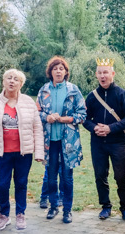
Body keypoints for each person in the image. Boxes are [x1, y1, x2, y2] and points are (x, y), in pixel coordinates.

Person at [0, 69, 44, 231]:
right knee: (2, 184)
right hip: (2, 153)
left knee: (21, 183)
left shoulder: (28, 102)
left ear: (21, 84)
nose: (11, 81)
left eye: (16, 79)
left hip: (23, 153)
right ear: (3, 81)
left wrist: (39, 152)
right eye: (9, 78)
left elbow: (37, 127)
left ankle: (20, 214)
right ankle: (3, 215)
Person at [83, 58, 125, 221]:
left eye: (106, 72)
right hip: (98, 143)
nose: (103, 76)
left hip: (117, 142)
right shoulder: (92, 96)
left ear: (112, 74)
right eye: (100, 73)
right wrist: (94, 128)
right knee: (100, 175)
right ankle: (105, 206)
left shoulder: (121, 94)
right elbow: (84, 118)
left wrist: (110, 128)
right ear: (96, 75)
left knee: (121, 176)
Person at [37, 56, 86, 223]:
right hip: (50, 141)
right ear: (50, 72)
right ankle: (52, 207)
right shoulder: (44, 90)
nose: (58, 71)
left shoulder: (73, 90)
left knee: (67, 178)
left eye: (61, 68)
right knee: (50, 177)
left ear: (66, 72)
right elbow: (37, 112)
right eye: (55, 68)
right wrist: (47, 117)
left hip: (69, 142)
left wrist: (65, 119)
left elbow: (82, 115)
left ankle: (67, 210)